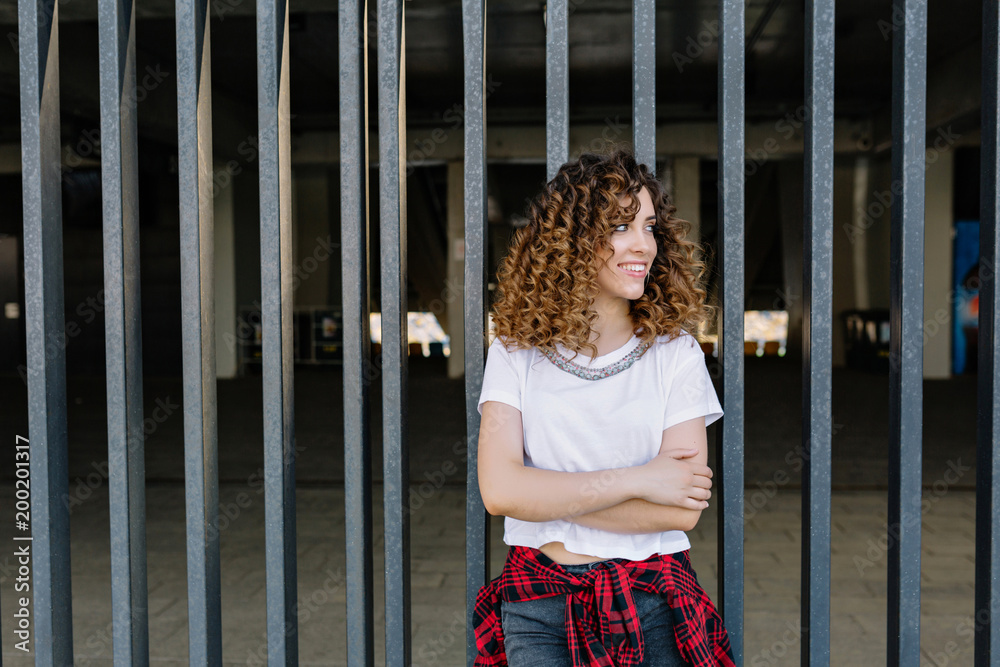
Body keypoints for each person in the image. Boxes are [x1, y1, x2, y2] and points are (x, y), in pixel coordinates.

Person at [472, 149, 734, 667]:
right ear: (568, 239)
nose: (643, 245)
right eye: (619, 225)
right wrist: (641, 479)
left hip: (652, 599)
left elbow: (679, 508)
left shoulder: (675, 354)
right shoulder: (515, 351)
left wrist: (543, 494)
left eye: (649, 226)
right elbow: (500, 492)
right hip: (539, 602)